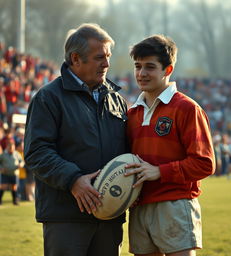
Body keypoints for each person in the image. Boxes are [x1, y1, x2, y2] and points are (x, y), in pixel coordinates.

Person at [24, 23, 127, 256]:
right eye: (99, 57)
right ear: (76, 58)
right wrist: (73, 180)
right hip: (66, 218)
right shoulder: (48, 98)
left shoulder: (117, 100)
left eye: (108, 56)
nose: (107, 64)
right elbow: (36, 152)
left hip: (110, 216)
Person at [125, 35, 215, 256]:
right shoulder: (131, 113)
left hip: (174, 204)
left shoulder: (187, 109)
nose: (141, 73)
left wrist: (160, 171)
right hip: (138, 206)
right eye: (138, 66)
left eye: (150, 67)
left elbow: (205, 164)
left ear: (168, 70)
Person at [0, 139, 24, 205]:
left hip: (14, 173)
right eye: (9, 146)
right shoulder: (3, 154)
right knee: (3, 186)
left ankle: (15, 201)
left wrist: (20, 165)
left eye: (12, 146)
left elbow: (22, 161)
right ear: (7, 146)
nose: (11, 148)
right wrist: (1, 168)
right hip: (5, 173)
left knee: (14, 187)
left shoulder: (16, 154)